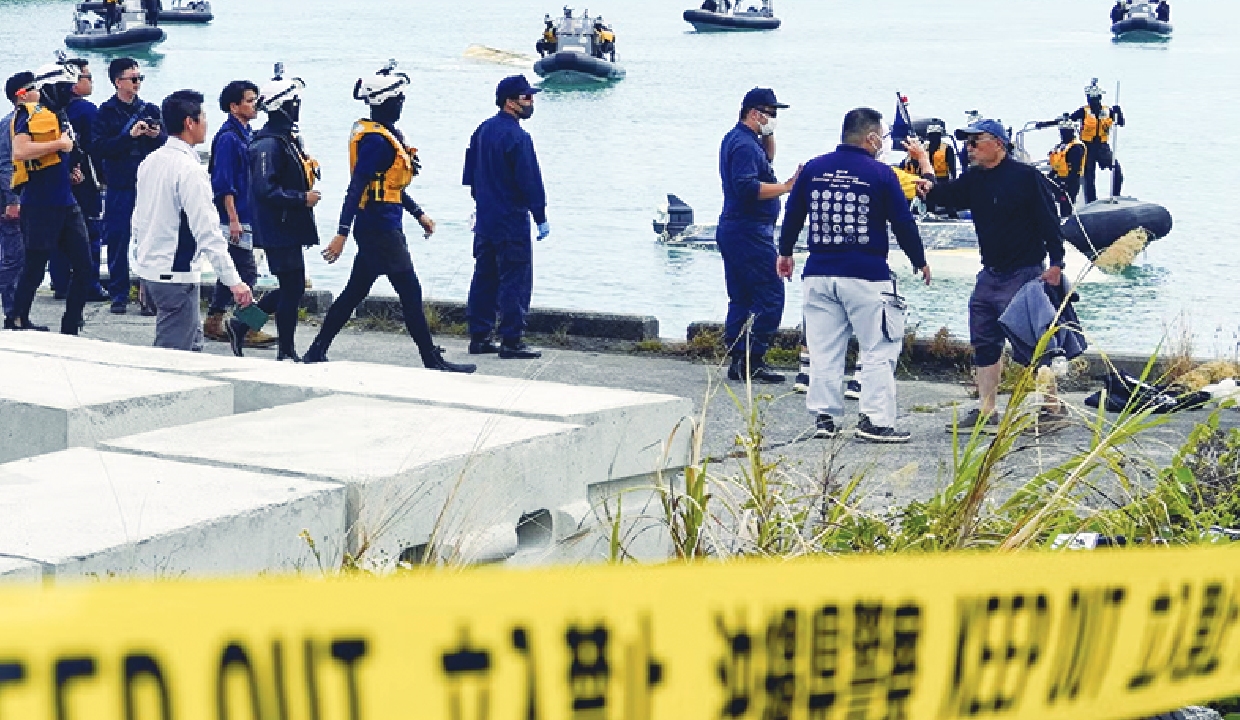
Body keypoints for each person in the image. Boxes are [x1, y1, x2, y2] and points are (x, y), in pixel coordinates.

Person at [306, 62, 473, 373]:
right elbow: (357, 187)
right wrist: (341, 233)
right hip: (380, 230)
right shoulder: (375, 141)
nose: (402, 104)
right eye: (399, 99)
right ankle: (431, 359)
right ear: (384, 101)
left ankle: (315, 350)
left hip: (380, 225)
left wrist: (418, 213)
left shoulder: (386, 135)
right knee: (410, 292)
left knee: (353, 293)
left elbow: (388, 188)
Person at [777, 108, 931, 443]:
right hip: (866, 275)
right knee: (879, 348)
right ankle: (875, 420)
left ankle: (824, 418)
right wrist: (919, 260)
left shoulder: (813, 168)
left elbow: (793, 214)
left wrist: (785, 252)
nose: (885, 143)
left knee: (824, 350)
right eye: (883, 137)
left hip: (819, 272)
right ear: (871, 137)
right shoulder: (881, 174)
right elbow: (902, 223)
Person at [920, 119, 1068, 433]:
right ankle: (987, 409)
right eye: (967, 143)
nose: (969, 148)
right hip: (990, 272)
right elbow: (944, 197)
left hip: (1026, 272)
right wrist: (926, 177)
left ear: (998, 144)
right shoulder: (974, 179)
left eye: (976, 142)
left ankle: (1052, 407)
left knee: (1032, 341)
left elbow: (1049, 220)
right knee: (984, 338)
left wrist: (1057, 263)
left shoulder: (1026, 177)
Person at [131, 90, 252, 351]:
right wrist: (234, 282)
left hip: (153, 271)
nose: (206, 123)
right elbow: (207, 231)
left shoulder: (149, 162)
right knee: (174, 355)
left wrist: (142, 268)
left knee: (193, 347)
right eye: (203, 117)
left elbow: (138, 220)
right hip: (176, 275)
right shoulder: (190, 170)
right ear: (190, 122)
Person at [227, 71, 321, 361]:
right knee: (292, 288)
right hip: (277, 226)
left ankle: (246, 326)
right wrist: (302, 198)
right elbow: (264, 189)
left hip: (287, 224)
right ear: (282, 106)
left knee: (293, 287)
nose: (298, 108)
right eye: (294, 103)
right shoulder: (268, 144)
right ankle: (281, 347)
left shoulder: (283, 138)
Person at [462, 75, 549, 360]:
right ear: (510, 102)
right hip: (511, 219)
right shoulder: (519, 138)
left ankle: (480, 337)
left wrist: (483, 202)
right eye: (526, 97)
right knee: (515, 279)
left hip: (485, 218)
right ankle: (512, 340)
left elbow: (470, 177)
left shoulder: (481, 131)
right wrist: (540, 216)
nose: (531, 102)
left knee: (484, 277)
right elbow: (530, 181)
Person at [6, 61, 97, 335]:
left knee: (84, 266)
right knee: (35, 267)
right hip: (39, 203)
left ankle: (71, 322)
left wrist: (73, 168)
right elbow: (20, 151)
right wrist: (59, 144)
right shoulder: (28, 115)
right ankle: (17, 317)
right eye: (65, 87)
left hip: (66, 201)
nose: (70, 92)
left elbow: (67, 152)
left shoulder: (61, 114)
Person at [717, 87, 801, 383]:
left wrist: (768, 133)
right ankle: (753, 357)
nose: (773, 119)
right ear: (755, 113)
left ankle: (739, 358)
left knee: (741, 296)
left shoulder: (743, 140)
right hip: (749, 230)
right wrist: (787, 187)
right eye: (770, 114)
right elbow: (747, 187)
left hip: (737, 229)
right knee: (770, 293)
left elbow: (767, 159)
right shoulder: (743, 145)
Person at [202, 79, 277, 350]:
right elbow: (224, 183)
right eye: (249, 100)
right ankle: (247, 326)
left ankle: (214, 320)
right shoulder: (228, 138)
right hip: (233, 217)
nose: (255, 105)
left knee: (232, 269)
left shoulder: (247, 134)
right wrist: (233, 219)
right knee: (247, 271)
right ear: (234, 106)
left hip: (247, 212)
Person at [93, 57, 165, 314]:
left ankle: (148, 297)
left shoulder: (150, 109)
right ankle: (119, 294)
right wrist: (128, 136)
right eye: (133, 79)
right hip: (119, 183)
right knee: (118, 238)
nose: (137, 83)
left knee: (149, 239)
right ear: (117, 82)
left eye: (139, 78)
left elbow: (166, 143)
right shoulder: (105, 112)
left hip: (147, 183)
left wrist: (156, 135)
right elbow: (99, 147)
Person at [48, 57, 108, 303]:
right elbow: (95, 148)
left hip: (56, 179)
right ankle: (90, 285)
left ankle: (60, 281)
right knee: (90, 234)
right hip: (85, 179)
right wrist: (102, 177)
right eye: (88, 77)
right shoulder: (87, 110)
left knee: (58, 234)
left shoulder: (49, 111)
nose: (91, 82)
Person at [0, 73, 34, 321]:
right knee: (15, 259)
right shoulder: (10, 125)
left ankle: (19, 312)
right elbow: (5, 164)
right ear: (20, 95)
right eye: (32, 88)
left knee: (24, 258)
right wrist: (13, 200)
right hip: (12, 201)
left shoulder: (28, 122)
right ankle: (13, 313)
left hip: (28, 198)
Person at [1068, 79, 1124, 203]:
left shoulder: (1108, 111)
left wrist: (1118, 113)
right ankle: (1091, 201)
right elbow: (1070, 119)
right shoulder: (1083, 111)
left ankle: (1116, 195)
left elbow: (1121, 122)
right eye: (1090, 98)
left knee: (1116, 169)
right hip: (1087, 147)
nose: (1093, 101)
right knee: (1089, 176)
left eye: (1096, 98)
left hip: (1102, 147)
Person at [1047, 118, 1086, 217]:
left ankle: (1067, 219)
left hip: (1070, 182)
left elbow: (1075, 170)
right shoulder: (1061, 146)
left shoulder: (1076, 148)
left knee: (1066, 206)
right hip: (1059, 179)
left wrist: (1066, 183)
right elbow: (1057, 165)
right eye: (1062, 131)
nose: (1063, 134)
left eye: (1065, 131)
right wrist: (1049, 177)